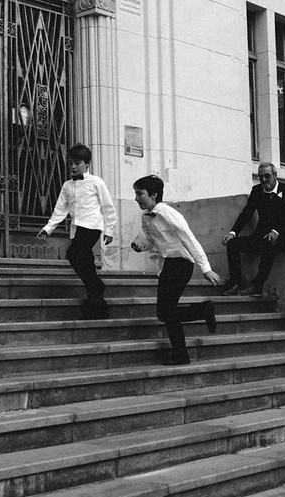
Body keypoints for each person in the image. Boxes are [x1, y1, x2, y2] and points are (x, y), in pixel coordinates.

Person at [130, 175, 221, 365]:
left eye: (140, 194)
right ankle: (203, 310)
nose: (137, 198)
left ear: (154, 195)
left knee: (167, 312)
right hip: (168, 265)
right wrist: (141, 246)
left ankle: (181, 354)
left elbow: (189, 239)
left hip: (180, 264)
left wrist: (206, 268)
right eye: (135, 194)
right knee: (164, 313)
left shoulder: (168, 213)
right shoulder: (146, 217)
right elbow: (153, 240)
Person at [37, 144, 117, 319]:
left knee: (74, 253)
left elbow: (108, 207)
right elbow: (60, 209)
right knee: (85, 261)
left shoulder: (97, 182)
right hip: (77, 227)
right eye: (71, 163)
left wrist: (109, 230)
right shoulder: (67, 186)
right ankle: (96, 298)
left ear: (87, 163)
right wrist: (48, 228)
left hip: (92, 226)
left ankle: (95, 286)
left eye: (77, 163)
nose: (73, 167)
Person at [222, 162, 285, 296]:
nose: (263, 180)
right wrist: (232, 233)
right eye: (260, 176)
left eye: (267, 176)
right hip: (260, 236)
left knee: (269, 242)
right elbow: (246, 213)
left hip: (282, 235)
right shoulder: (257, 190)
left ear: (275, 175)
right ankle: (235, 283)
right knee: (233, 244)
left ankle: (257, 285)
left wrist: (275, 231)